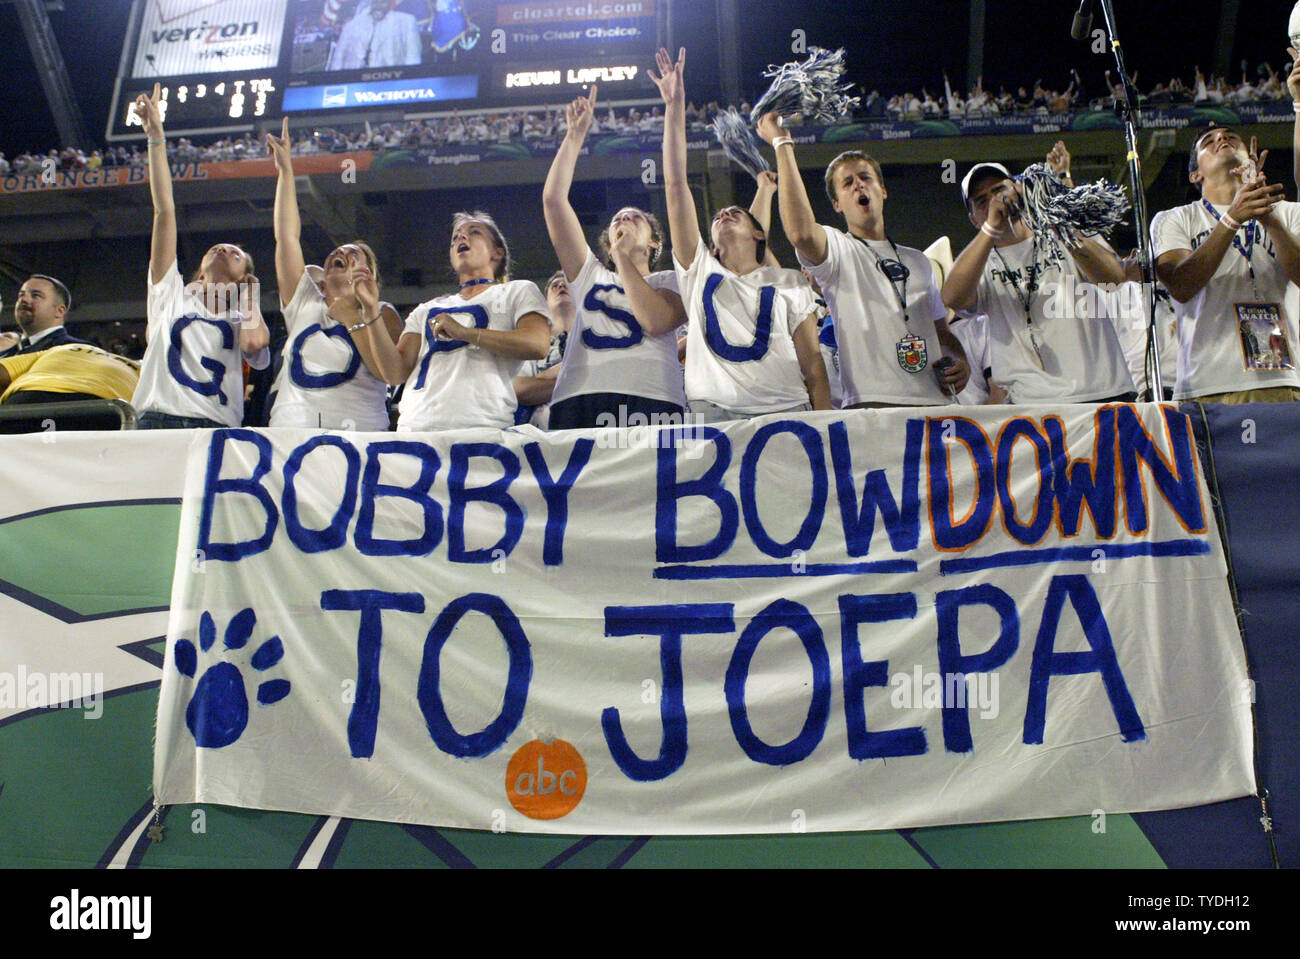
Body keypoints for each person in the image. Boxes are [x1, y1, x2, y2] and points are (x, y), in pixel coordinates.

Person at [651, 49, 830, 421]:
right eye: (718, 216)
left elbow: (813, 361)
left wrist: (827, 421)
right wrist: (674, 106)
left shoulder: (790, 281)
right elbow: (674, 185)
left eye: (737, 213)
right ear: (712, 243)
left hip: (787, 410)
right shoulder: (697, 269)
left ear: (758, 233)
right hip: (713, 412)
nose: (725, 213)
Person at [759, 107, 968, 407]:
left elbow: (941, 332)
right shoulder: (838, 252)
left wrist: (959, 359)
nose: (858, 184)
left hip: (936, 405)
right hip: (873, 406)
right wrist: (782, 145)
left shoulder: (920, 262)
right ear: (837, 205)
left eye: (865, 177)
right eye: (847, 183)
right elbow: (801, 233)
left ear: (882, 191)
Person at [541, 83, 689, 429]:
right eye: (616, 219)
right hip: (578, 398)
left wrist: (622, 260)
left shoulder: (670, 279)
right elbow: (553, 201)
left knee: (654, 485)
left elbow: (655, 322)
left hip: (652, 399)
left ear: (655, 244)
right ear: (606, 244)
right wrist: (575, 136)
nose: (623, 219)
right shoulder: (589, 275)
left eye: (634, 217)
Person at [941, 151, 1135, 405]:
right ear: (974, 219)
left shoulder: (1061, 230)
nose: (995, 201)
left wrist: (1050, 215)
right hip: (1031, 403)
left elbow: (1113, 279)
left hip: (1101, 391)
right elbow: (951, 297)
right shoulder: (981, 262)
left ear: (1018, 189)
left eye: (1000, 190)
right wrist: (992, 228)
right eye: (981, 201)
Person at [129, 83, 271, 429]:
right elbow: (164, 211)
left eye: (236, 253)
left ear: (244, 275)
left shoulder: (242, 313)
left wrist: (249, 296)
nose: (223, 249)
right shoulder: (171, 295)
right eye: (215, 248)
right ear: (200, 271)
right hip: (156, 416)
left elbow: (254, 343)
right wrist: (156, 139)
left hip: (215, 423)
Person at [351, 211, 549, 431]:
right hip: (415, 428)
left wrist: (466, 333)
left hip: (483, 427)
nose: (461, 238)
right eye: (455, 238)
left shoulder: (518, 291)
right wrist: (370, 311)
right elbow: (395, 373)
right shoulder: (425, 309)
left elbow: (537, 344)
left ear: (497, 253)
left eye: (474, 232)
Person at [264, 117, 399, 431]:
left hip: (356, 438)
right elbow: (286, 236)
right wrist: (286, 172)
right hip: (289, 433)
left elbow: (387, 372)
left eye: (355, 256)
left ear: (371, 278)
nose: (342, 253)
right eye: (338, 251)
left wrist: (357, 314)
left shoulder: (384, 314)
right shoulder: (304, 303)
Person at [1152, 127, 1300, 403]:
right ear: (1195, 174)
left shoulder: (1288, 212)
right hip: (1207, 386)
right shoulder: (1175, 219)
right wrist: (1233, 217)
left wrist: (1270, 220)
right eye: (1208, 142)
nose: (1221, 138)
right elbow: (1181, 285)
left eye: (1231, 137)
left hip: (1284, 381)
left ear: (1248, 159)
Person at [513, 270, 573, 429]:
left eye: (567, 284)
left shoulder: (599, 338)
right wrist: (579, 376)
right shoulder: (531, 346)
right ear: (545, 304)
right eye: (555, 285)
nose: (561, 285)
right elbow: (518, 390)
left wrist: (543, 378)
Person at [0, 343, 139, 407]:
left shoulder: (64, 348)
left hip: (31, 398)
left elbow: (2, 372)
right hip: (108, 410)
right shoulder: (141, 370)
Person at [0, 275, 88, 359]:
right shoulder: (6, 355)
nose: (24, 299)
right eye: (21, 295)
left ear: (59, 311)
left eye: (36, 295)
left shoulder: (81, 351)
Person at [329, 0, 422, 71]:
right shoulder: (351, 26)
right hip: (355, 85)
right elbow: (338, 61)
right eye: (376, 2)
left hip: (393, 84)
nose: (379, 5)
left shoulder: (406, 22)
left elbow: (413, 57)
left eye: (382, 2)